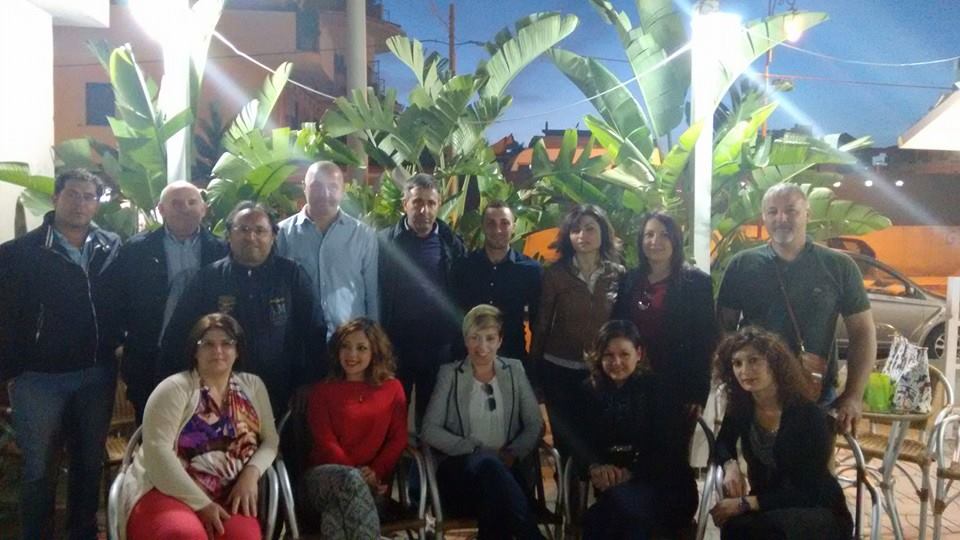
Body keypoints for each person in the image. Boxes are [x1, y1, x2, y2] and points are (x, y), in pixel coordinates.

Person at [0, 168, 122, 540]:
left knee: (88, 463)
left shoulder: (111, 246)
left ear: (97, 204)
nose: (80, 203)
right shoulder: (19, 253)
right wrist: (11, 372)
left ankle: (81, 533)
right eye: (72, 194)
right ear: (55, 198)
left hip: (96, 375)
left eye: (89, 196)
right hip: (39, 379)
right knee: (39, 468)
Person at [717, 183, 877, 434]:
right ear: (764, 217)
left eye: (791, 211)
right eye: (773, 212)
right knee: (749, 458)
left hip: (814, 393)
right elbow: (723, 329)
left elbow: (863, 332)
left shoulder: (839, 266)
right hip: (754, 395)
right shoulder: (742, 265)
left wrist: (853, 395)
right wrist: (731, 382)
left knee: (813, 459)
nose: (781, 218)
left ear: (807, 214)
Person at [120, 313, 278, 540]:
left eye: (227, 343)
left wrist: (251, 473)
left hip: (227, 494)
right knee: (184, 535)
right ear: (195, 351)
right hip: (166, 490)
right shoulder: (174, 389)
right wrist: (202, 504)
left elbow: (270, 441)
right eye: (208, 344)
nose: (218, 351)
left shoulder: (253, 386)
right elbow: (158, 456)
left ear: (238, 350)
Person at [161, 201, 327, 415]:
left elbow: (314, 330)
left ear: (273, 236)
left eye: (260, 230)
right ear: (229, 235)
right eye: (243, 229)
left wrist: (308, 381)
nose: (251, 237)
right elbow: (179, 334)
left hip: (283, 391)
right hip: (218, 395)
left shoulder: (291, 275)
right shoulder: (208, 278)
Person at [710, 326, 853, 540]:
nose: (744, 370)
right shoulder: (743, 407)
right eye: (737, 363)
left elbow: (809, 490)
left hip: (817, 510)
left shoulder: (808, 415)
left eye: (753, 360)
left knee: (754, 531)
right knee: (735, 527)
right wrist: (730, 465)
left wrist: (745, 503)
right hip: (768, 506)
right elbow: (722, 443)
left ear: (775, 364)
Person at [422, 305, 544, 539]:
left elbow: (534, 423)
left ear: (500, 340)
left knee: (494, 498)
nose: (482, 347)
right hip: (460, 476)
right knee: (489, 464)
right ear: (465, 340)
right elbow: (429, 429)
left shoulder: (514, 370)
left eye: (490, 338)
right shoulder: (449, 374)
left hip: (507, 472)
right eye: (475, 338)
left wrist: (513, 452)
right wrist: (474, 449)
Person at [113, 180, 228, 423]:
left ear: (203, 209)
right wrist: (122, 341)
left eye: (192, 202)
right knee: (153, 431)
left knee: (205, 431)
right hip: (150, 359)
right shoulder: (136, 251)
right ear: (161, 209)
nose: (185, 208)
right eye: (176, 203)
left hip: (208, 359)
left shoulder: (223, 251)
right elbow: (119, 300)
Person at [572, 320, 698, 539]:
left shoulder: (659, 390)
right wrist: (595, 466)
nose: (616, 362)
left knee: (612, 517)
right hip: (615, 491)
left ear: (639, 353)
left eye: (624, 354)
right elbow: (580, 440)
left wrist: (630, 473)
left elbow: (670, 450)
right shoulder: (589, 391)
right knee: (609, 516)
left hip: (665, 486)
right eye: (608, 355)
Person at [530, 204, 624, 455]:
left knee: (599, 440)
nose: (583, 236)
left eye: (590, 229)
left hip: (602, 371)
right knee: (566, 441)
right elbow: (542, 324)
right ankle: (566, 482)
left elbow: (620, 326)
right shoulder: (555, 274)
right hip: (559, 370)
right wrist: (535, 371)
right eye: (576, 230)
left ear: (603, 233)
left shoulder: (617, 274)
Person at [301, 318, 407, 538]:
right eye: (346, 346)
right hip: (322, 479)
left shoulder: (393, 389)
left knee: (335, 515)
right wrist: (359, 477)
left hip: (373, 482)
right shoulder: (321, 392)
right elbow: (325, 443)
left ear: (375, 352)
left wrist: (376, 472)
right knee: (349, 482)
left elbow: (398, 439)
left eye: (361, 348)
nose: (352, 354)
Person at [612, 211, 717, 421]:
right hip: (631, 379)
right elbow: (617, 328)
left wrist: (698, 392)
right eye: (649, 235)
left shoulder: (697, 283)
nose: (655, 241)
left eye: (664, 235)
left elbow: (705, 340)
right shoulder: (629, 279)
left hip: (677, 384)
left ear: (675, 240)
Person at [378, 173, 466, 424]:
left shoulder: (452, 244)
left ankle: (427, 451)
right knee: (393, 413)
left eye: (430, 203)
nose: (424, 210)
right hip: (396, 345)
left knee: (432, 417)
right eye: (417, 202)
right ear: (405, 204)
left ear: (439, 205)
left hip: (438, 347)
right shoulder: (384, 242)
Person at [276, 161, 379, 338]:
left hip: (349, 342)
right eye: (317, 186)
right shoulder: (282, 234)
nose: (324, 194)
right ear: (304, 187)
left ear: (343, 190)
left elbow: (372, 294)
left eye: (333, 187)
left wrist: (373, 339)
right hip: (300, 340)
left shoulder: (363, 235)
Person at [450, 200, 542, 361]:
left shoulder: (530, 270)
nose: (498, 230)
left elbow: (537, 321)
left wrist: (535, 361)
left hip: (511, 356)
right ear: (483, 227)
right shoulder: (463, 266)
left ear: (514, 226)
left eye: (504, 223)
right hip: (468, 357)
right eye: (491, 223)